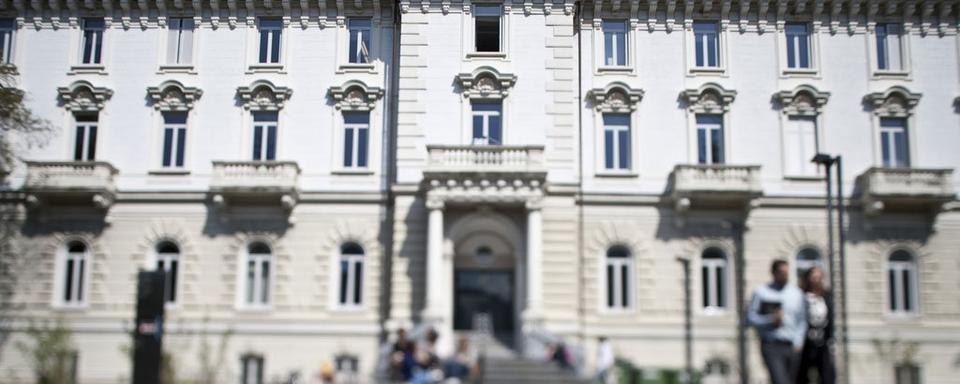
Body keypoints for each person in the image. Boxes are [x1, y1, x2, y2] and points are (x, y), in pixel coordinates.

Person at [748, 259, 807, 384]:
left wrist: (798, 342)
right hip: (771, 344)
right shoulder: (761, 293)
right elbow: (751, 318)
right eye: (781, 272)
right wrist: (770, 319)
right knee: (780, 380)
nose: (784, 275)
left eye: (786, 272)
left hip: (791, 346)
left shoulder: (796, 293)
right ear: (773, 273)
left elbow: (802, 320)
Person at [797, 266, 835, 384]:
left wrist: (832, 340)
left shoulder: (827, 295)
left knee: (826, 375)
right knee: (802, 375)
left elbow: (831, 318)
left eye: (818, 276)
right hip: (804, 343)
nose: (816, 279)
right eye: (813, 276)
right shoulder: (800, 295)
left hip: (823, 343)